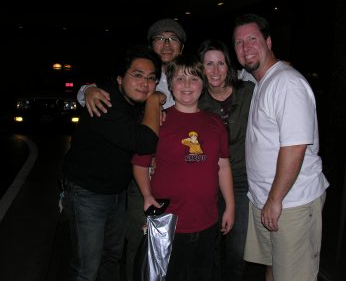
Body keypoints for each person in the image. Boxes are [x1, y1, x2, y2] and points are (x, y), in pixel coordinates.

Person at [76, 18, 187, 281]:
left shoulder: (190, 76)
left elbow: (223, 74)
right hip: (119, 184)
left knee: (119, 254)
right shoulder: (138, 87)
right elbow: (141, 138)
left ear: (183, 47)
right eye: (161, 38)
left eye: (173, 39)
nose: (167, 44)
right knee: (118, 253)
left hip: (131, 183)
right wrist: (87, 90)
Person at [232, 13, 329, 281]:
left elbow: (295, 147)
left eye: (252, 39)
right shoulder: (262, 80)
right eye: (239, 43)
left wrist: (275, 199)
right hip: (266, 200)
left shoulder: (287, 83)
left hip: (290, 203)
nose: (246, 47)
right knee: (273, 268)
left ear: (269, 41)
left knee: (294, 276)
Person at [61, 45, 166, 281]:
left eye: (151, 79)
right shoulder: (105, 102)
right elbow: (145, 142)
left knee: (111, 258)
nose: (145, 83)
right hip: (87, 193)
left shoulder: (134, 105)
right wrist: (155, 101)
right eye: (137, 75)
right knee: (86, 268)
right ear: (120, 78)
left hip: (117, 192)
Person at [133, 54, 235, 281]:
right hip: (168, 224)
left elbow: (224, 165)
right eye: (180, 79)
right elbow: (140, 164)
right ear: (170, 85)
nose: (187, 85)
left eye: (194, 79)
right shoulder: (159, 120)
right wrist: (147, 195)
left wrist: (230, 205)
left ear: (203, 84)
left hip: (207, 221)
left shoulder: (215, 123)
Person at [197, 39, 254, 281]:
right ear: (200, 68)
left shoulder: (249, 92)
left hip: (241, 178)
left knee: (238, 248)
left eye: (221, 63)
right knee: (207, 244)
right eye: (209, 64)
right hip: (207, 181)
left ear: (229, 66)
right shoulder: (196, 101)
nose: (216, 70)